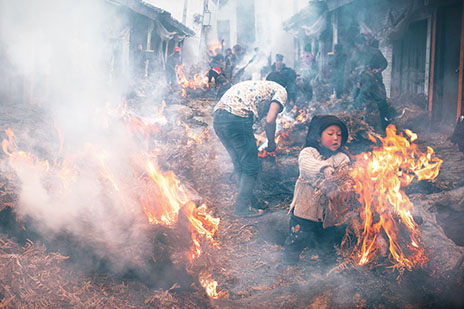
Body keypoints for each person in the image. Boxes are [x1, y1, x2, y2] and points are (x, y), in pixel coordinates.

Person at [213, 72, 289, 216]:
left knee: (239, 163)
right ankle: (241, 208)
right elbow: (270, 120)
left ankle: (251, 200)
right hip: (237, 117)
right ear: (285, 86)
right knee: (251, 165)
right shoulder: (281, 90)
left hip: (218, 118)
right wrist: (271, 143)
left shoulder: (258, 85)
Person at [283, 115, 350, 265]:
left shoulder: (342, 158)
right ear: (318, 137)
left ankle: (329, 275)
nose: (336, 138)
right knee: (296, 241)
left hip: (328, 217)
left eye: (339, 135)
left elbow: (344, 177)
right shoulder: (308, 152)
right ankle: (288, 269)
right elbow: (307, 166)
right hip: (304, 212)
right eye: (331, 134)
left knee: (326, 246)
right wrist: (324, 168)